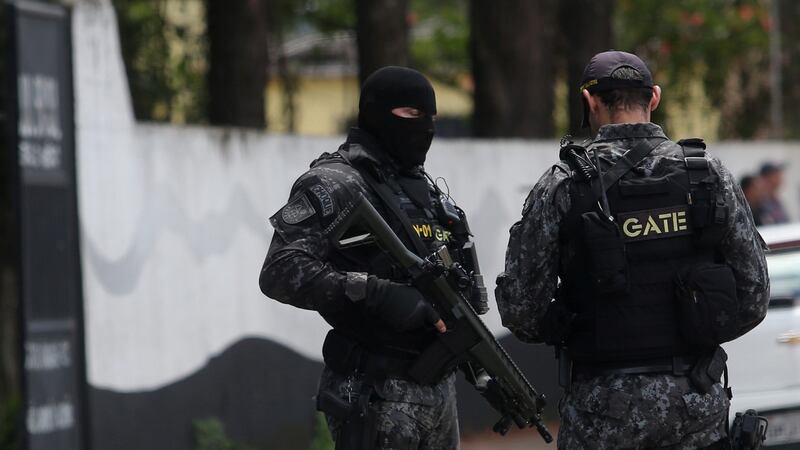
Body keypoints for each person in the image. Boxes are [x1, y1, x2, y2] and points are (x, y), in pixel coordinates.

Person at [496, 51, 770, 449]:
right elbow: (754, 294)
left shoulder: (562, 185)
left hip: (602, 409)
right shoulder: (708, 175)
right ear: (654, 98)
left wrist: (574, 326)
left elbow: (521, 310)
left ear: (590, 102)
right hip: (696, 404)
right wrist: (699, 331)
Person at [260, 66, 487, 449]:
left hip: (435, 393)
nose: (425, 127)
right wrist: (376, 293)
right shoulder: (336, 181)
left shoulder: (427, 193)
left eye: (431, 117)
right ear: (377, 112)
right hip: (372, 390)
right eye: (411, 115)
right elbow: (280, 271)